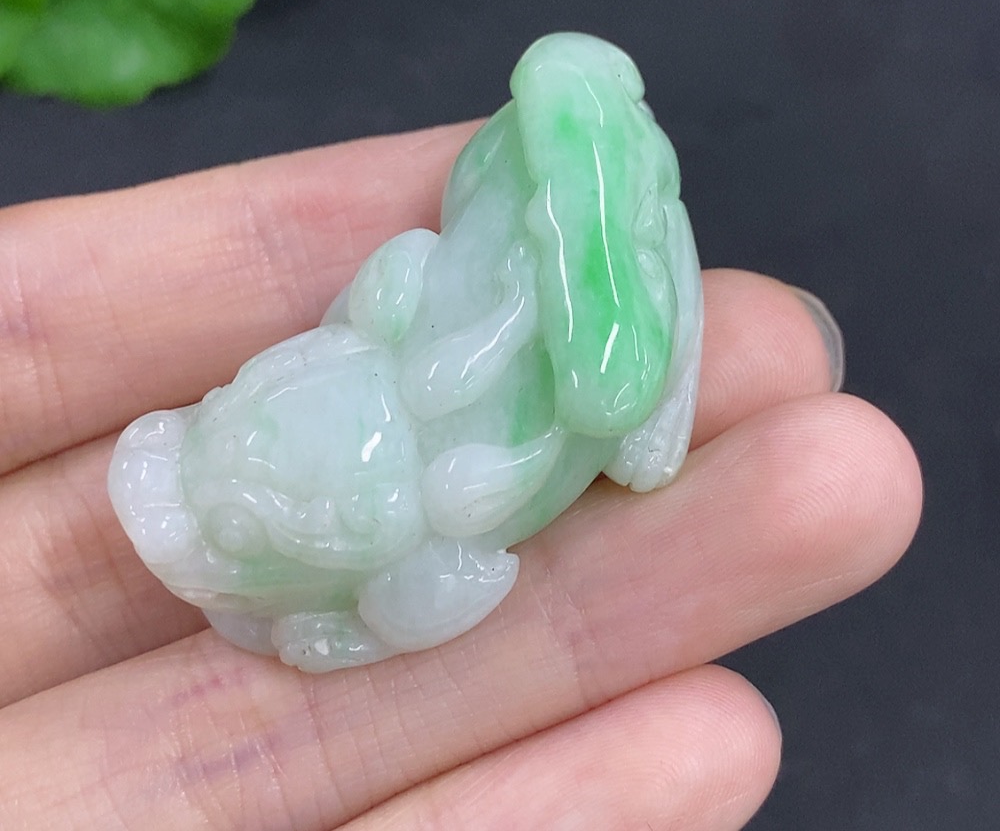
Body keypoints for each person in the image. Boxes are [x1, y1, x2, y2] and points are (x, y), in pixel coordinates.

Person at [0, 122, 921, 829]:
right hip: (541, 199)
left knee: (593, 407)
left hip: (580, 309)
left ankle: (644, 329)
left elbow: (471, 570)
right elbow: (399, 278)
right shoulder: (382, 351)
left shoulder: (425, 522)